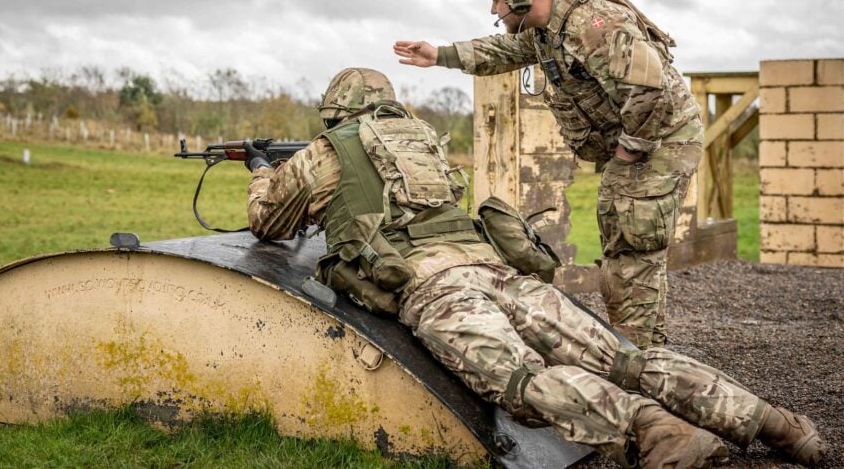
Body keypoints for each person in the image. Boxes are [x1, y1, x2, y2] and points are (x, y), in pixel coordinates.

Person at [243, 67, 823, 468]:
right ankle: (780, 426)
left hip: (434, 286)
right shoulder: (422, 137)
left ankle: (657, 433)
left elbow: (269, 223)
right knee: (625, 358)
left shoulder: (323, 153)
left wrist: (263, 172)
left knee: (520, 380)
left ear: (335, 111)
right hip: (497, 271)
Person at [393, 0, 702, 350]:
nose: (493, 9)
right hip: (643, 140)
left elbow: (650, 90)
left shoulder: (594, 23)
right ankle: (646, 349)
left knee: (631, 241)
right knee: (632, 245)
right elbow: (504, 51)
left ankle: (638, 358)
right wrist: (439, 55)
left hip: (660, 139)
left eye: (496, 1)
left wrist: (629, 151)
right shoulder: (546, 29)